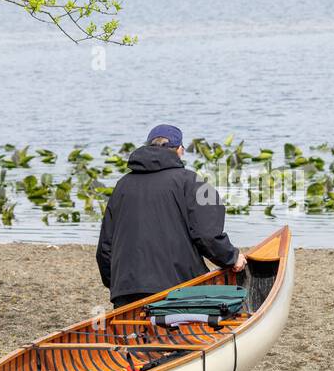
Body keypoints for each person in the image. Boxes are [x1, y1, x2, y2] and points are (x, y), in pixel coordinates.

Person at [96, 123, 247, 308]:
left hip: (126, 291)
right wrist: (232, 257)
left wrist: (116, 284)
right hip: (179, 289)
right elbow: (208, 236)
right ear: (179, 150)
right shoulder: (192, 182)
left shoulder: (121, 186)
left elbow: (105, 247)